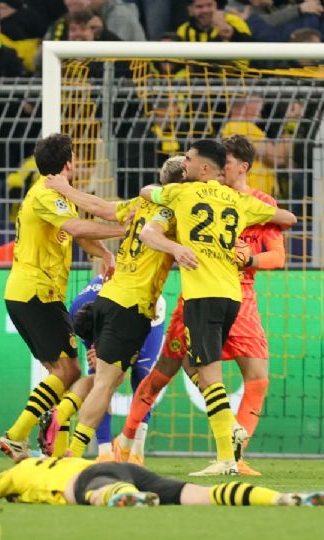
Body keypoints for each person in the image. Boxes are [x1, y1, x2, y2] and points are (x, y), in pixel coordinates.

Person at [115, 136, 286, 476]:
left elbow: (279, 255)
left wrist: (249, 257)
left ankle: (233, 454)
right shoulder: (193, 192)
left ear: (241, 167)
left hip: (237, 293)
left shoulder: (253, 201)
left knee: (251, 377)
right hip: (208, 292)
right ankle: (129, 437)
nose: (223, 167)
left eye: (229, 161)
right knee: (167, 370)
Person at [41, 156, 184, 459]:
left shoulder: (142, 203)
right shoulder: (177, 212)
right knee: (107, 383)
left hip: (107, 295)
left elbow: (101, 208)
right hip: (132, 304)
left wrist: (65, 188)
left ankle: (64, 417)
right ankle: (75, 451)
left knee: (107, 378)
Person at [0, 133, 124, 462]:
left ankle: (54, 452)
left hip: (34, 292)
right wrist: (128, 231)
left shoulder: (56, 196)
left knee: (62, 375)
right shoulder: (46, 196)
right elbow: (79, 228)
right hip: (37, 293)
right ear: (68, 163)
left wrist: (105, 254)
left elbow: (76, 233)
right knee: (69, 373)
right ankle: (16, 435)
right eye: (75, 157)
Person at [39, 273, 166, 462]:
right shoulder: (78, 313)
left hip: (146, 311)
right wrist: (98, 355)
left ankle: (135, 452)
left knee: (139, 376)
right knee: (101, 378)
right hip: (112, 307)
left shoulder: (126, 314)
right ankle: (104, 452)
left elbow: (120, 370)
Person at [0, 456, 324, 507]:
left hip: (94, 478)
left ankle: (124, 500)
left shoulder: (13, 475)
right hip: (119, 466)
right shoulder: (62, 454)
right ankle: (281, 499)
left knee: (91, 494)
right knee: (197, 495)